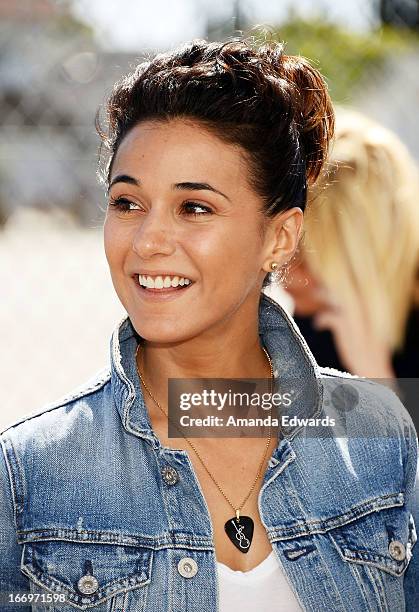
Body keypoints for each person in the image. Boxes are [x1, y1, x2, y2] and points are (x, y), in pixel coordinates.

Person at [0, 37, 418, 612]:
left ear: (280, 237)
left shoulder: (381, 438)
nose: (147, 241)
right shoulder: (29, 473)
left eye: (194, 207)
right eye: (127, 203)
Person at [285, 109, 419, 413]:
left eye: (306, 258)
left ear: (359, 256)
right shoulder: (311, 328)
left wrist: (378, 382)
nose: (285, 276)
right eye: (280, 246)